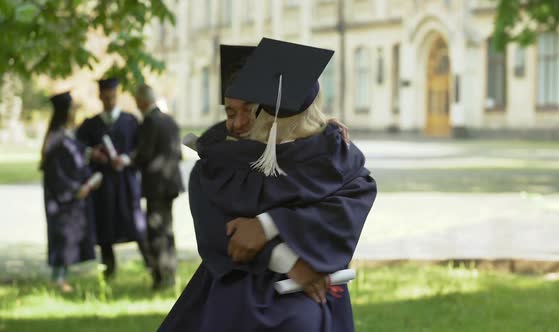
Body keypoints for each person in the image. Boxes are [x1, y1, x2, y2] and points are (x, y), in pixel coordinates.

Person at [158, 38, 377, 332]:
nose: (240, 122)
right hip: (239, 287)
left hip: (311, 286)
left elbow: (343, 210)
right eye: (230, 112)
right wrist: (290, 262)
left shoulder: (328, 155)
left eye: (250, 109)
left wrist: (269, 224)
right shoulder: (217, 162)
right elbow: (219, 235)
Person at [76, 78, 149, 279]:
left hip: (126, 181)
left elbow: (141, 149)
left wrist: (125, 159)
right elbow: (77, 147)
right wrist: (92, 153)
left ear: (118, 96)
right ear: (100, 97)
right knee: (105, 226)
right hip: (103, 184)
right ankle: (109, 271)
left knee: (136, 225)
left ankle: (152, 266)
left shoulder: (130, 121)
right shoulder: (91, 125)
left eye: (113, 97)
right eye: (106, 97)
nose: (110, 101)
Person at [41, 91, 100, 292]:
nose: (75, 113)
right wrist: (78, 189)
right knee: (62, 237)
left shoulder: (66, 135)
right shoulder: (56, 139)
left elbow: (76, 154)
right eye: (72, 109)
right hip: (62, 198)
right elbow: (56, 175)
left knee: (68, 237)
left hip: (73, 197)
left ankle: (61, 278)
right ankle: (58, 280)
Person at [132, 84, 184, 289]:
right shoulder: (170, 120)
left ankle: (161, 277)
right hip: (171, 183)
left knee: (156, 231)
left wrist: (128, 160)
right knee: (167, 229)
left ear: (142, 101)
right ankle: (170, 273)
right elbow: (178, 154)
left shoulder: (149, 122)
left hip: (155, 185)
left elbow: (143, 155)